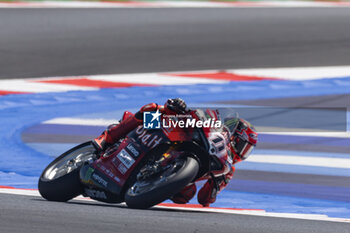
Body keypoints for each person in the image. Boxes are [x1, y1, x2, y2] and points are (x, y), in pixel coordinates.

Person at [92, 98, 258, 207]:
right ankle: (107, 138)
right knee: (152, 109)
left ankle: (150, 182)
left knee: (186, 195)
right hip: (170, 134)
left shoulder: (227, 170)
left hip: (175, 170)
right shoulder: (216, 127)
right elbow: (194, 114)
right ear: (235, 136)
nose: (242, 153)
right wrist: (179, 108)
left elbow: (204, 200)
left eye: (247, 151)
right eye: (244, 146)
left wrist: (214, 187)